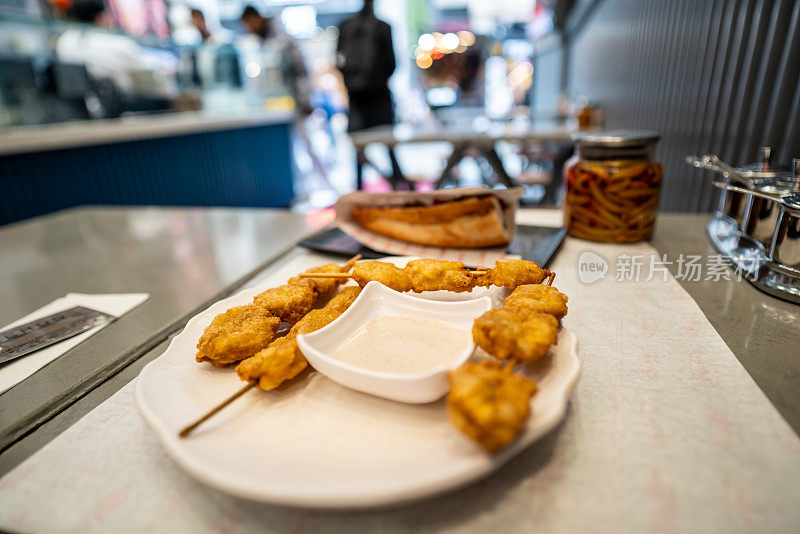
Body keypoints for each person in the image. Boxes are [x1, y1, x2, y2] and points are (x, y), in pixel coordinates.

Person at [336, 0, 405, 190]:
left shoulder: (345, 26)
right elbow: (393, 64)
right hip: (379, 96)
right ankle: (400, 187)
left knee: (358, 151)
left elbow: (338, 62)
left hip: (356, 98)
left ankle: (359, 190)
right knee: (389, 147)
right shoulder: (383, 27)